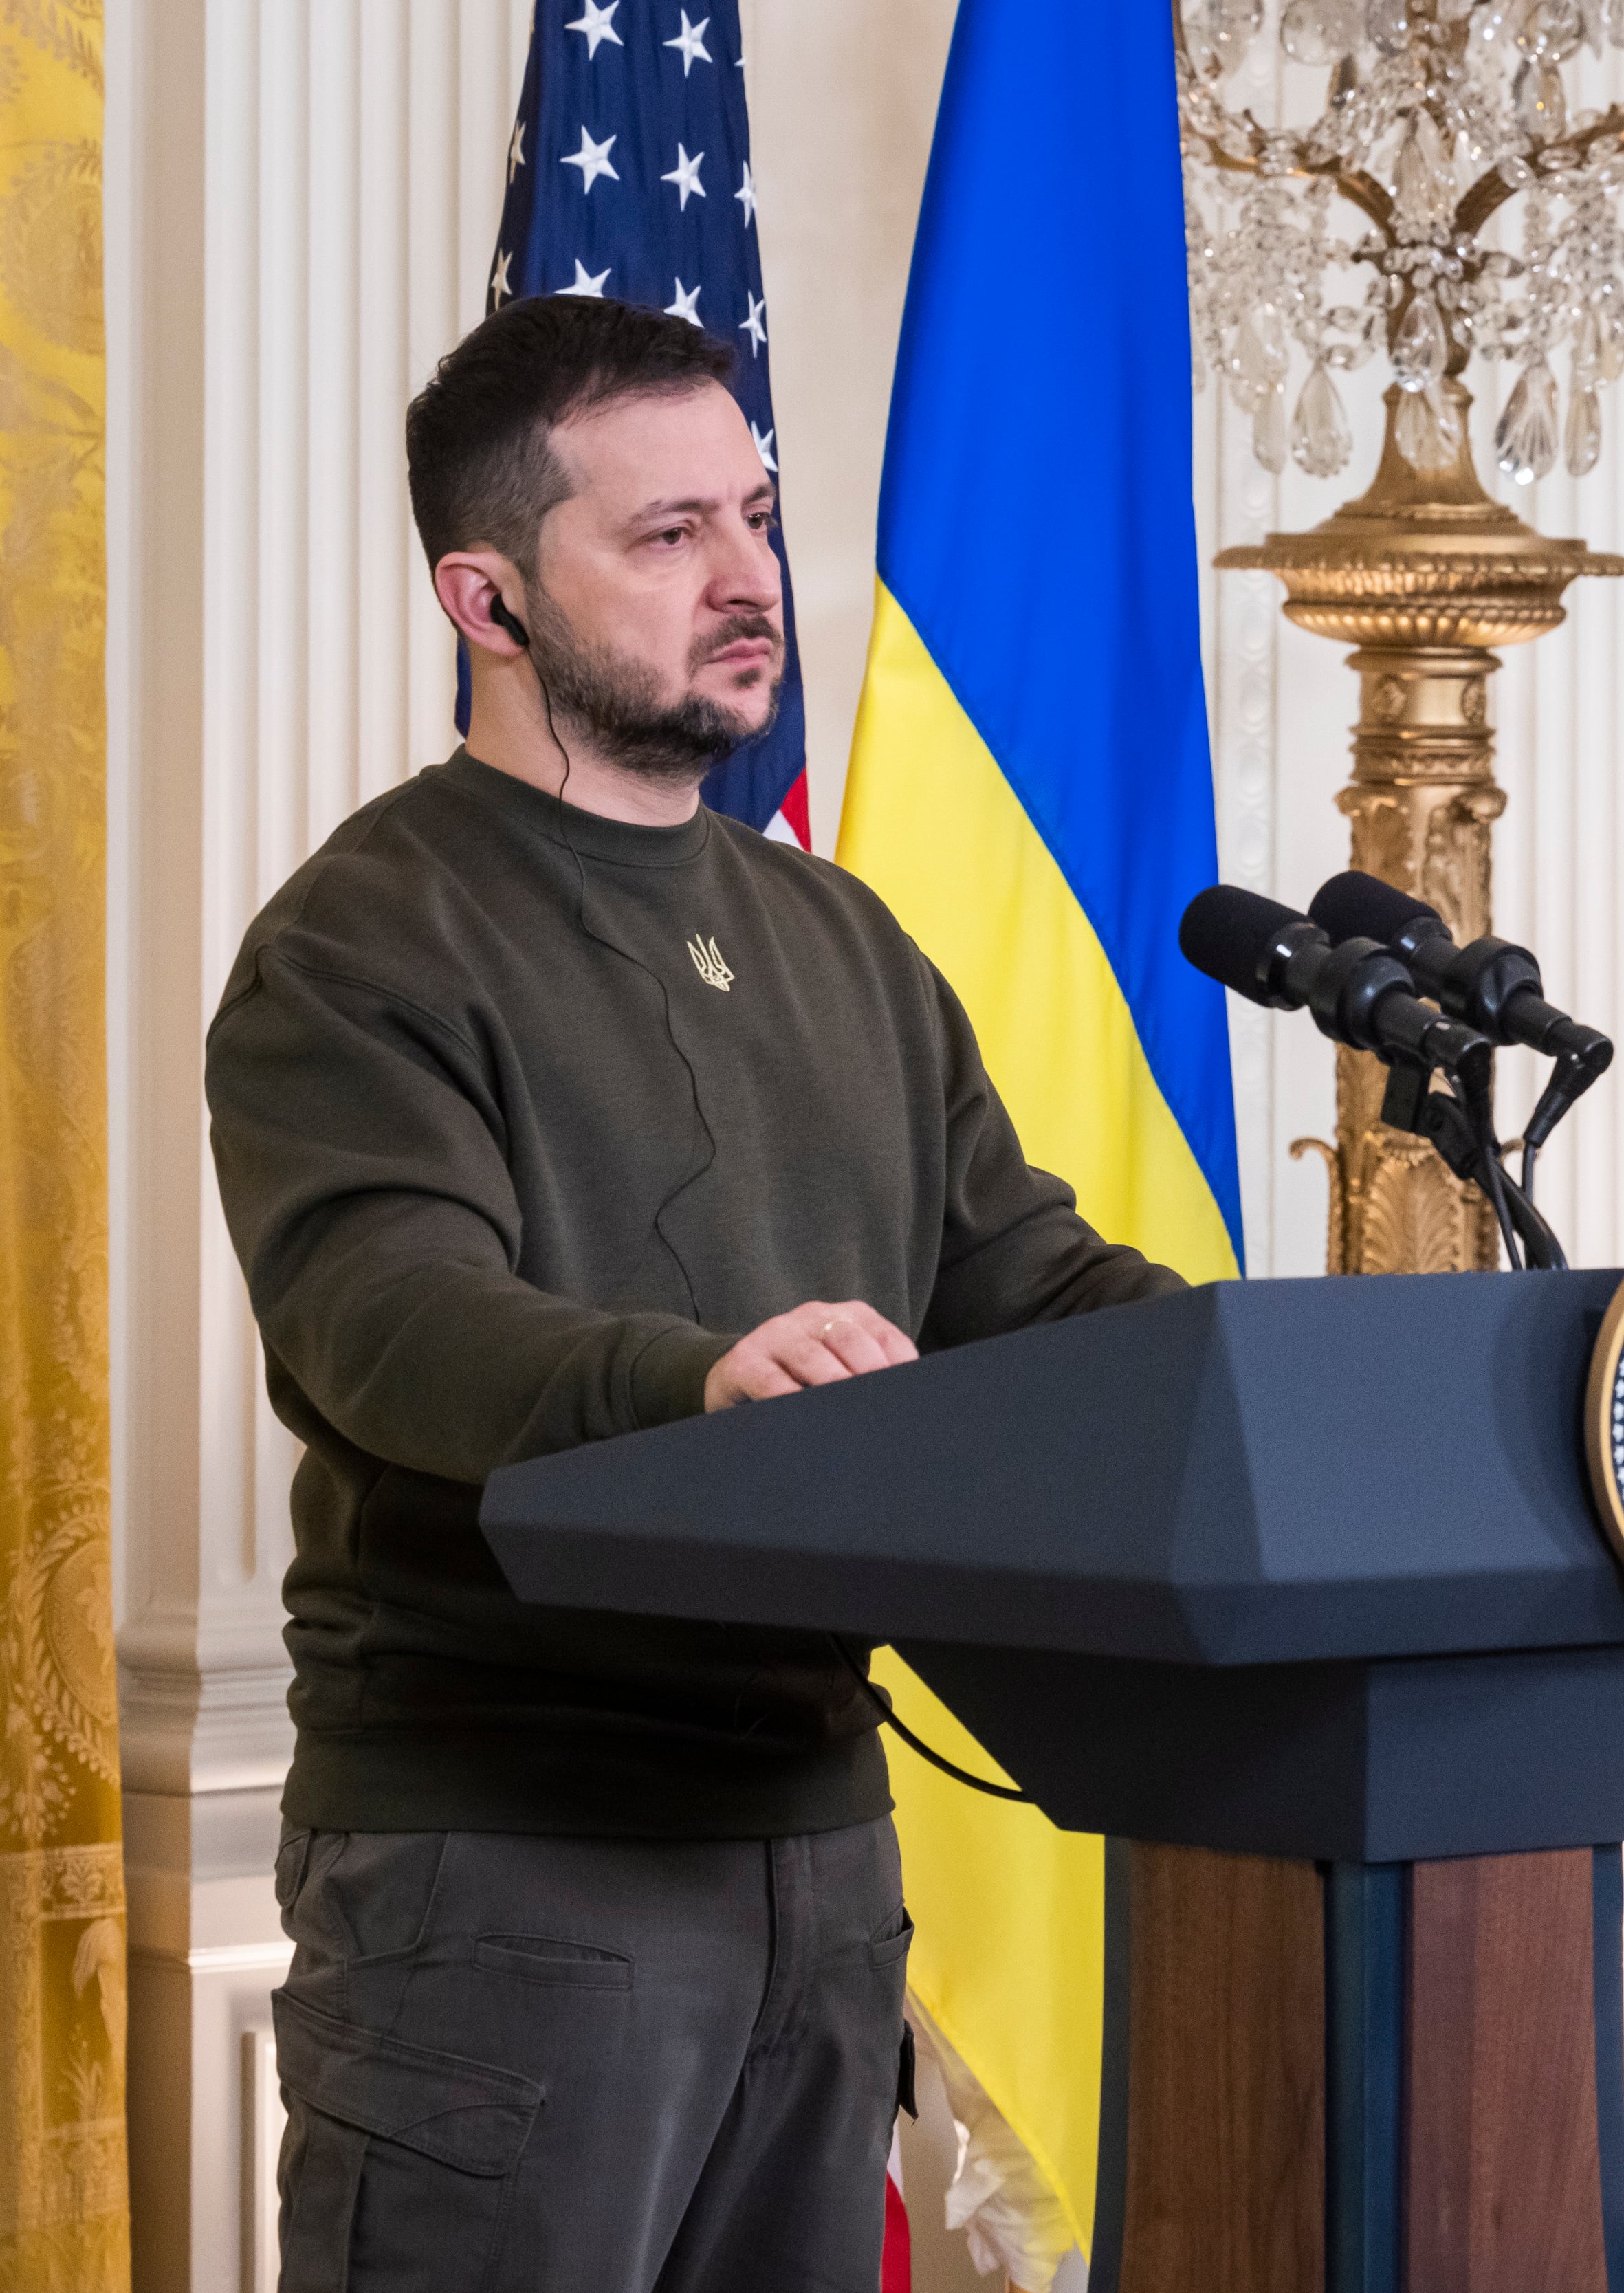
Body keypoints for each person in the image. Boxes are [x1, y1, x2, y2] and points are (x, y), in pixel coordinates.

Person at [207, 293, 1183, 2292]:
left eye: (753, 513)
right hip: (507, 1866)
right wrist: (703, 1385)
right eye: (667, 538)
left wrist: (1271, 1371)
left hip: (819, 1852)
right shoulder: (360, 939)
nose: (752, 581)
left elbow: (1026, 1280)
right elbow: (386, 1314)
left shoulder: (840, 936)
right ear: (487, 599)